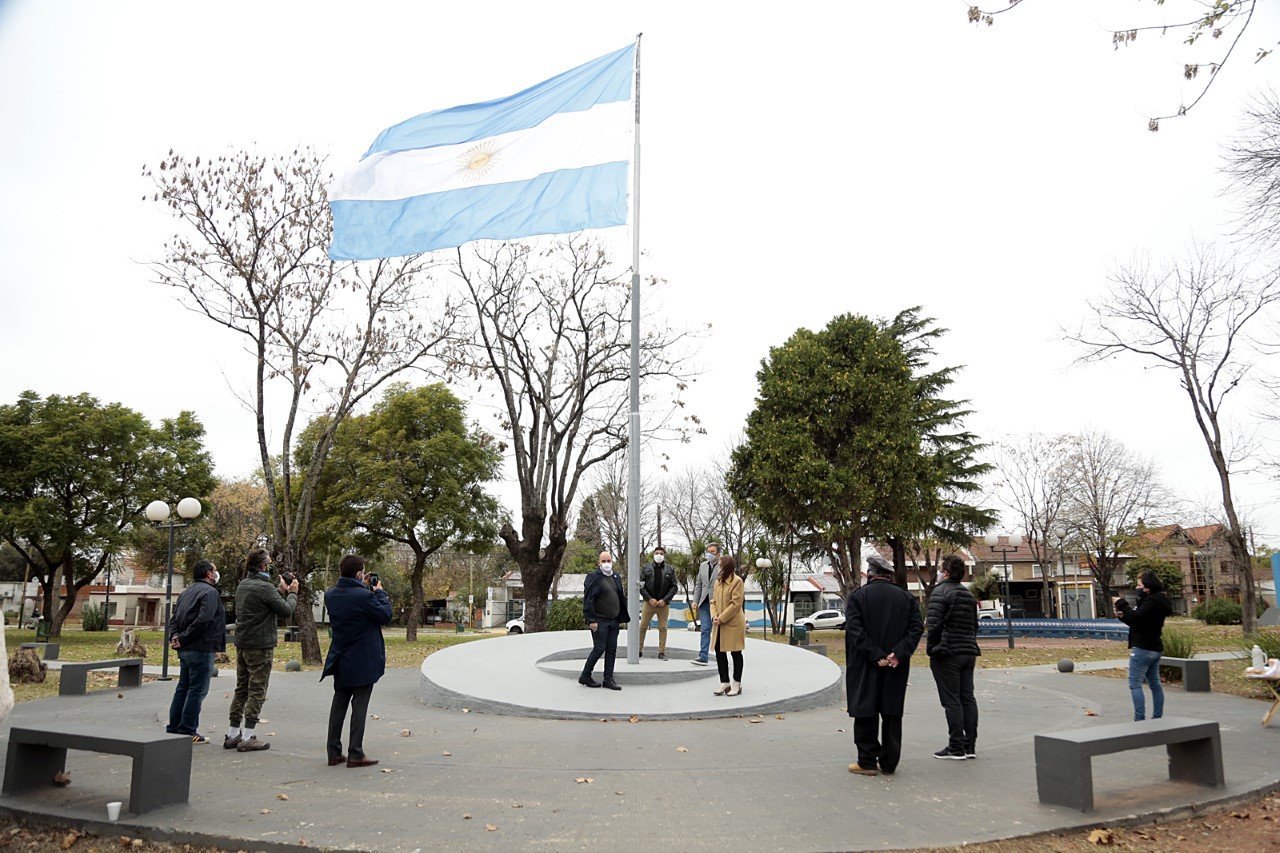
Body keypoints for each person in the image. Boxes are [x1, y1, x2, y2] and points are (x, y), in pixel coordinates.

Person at [845, 555, 923, 777]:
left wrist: (876, 654)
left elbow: (855, 630)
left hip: (865, 664)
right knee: (891, 712)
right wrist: (897, 654)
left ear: (869, 575)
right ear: (888, 576)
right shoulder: (906, 598)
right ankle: (889, 763)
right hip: (895, 666)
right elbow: (916, 629)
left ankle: (867, 762)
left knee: (865, 711)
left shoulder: (858, 597)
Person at [322, 554, 392, 768]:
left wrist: (362, 587)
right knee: (359, 706)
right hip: (363, 659)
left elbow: (351, 602)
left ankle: (333, 752)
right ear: (360, 573)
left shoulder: (330, 595)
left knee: (339, 704)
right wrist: (379, 592)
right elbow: (384, 615)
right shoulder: (364, 596)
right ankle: (355, 753)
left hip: (341, 657)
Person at [226, 549, 297, 752]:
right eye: (269, 563)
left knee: (241, 688)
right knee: (257, 690)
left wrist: (280, 591)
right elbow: (286, 610)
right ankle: (248, 736)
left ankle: (233, 734)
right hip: (260, 645)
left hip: (243, 643)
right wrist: (292, 592)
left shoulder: (244, 585)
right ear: (263, 566)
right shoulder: (265, 588)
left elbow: (264, 603)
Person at [926, 555, 980, 760]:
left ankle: (956, 746)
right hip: (968, 651)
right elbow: (974, 625)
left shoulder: (940, 592)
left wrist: (932, 649)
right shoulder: (968, 595)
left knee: (952, 700)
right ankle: (970, 745)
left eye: (941, 569)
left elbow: (934, 625)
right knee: (967, 698)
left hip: (947, 653)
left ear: (946, 572)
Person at [166, 560, 226, 743]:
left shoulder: (186, 592)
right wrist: (183, 638)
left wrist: (176, 637)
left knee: (183, 687)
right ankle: (188, 730)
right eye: (215, 570)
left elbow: (174, 618)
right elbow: (204, 619)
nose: (216, 573)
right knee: (196, 690)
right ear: (209, 573)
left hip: (186, 648)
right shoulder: (211, 593)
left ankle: (174, 727)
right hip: (201, 647)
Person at [1115, 571, 1172, 722]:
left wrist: (1121, 603)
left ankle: (1139, 719)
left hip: (1143, 648)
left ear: (1147, 587)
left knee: (1135, 684)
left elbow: (1135, 617)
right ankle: (1157, 716)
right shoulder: (1158, 602)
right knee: (1155, 684)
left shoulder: (1151, 602)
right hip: (1155, 648)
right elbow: (1137, 622)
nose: (1137, 587)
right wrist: (1123, 617)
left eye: (1139, 585)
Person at [580, 551, 630, 690]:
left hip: (614, 621)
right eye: (604, 561)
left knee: (612, 649)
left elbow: (620, 597)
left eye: (609, 560)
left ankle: (608, 679)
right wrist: (591, 620)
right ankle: (585, 675)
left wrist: (620, 617)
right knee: (599, 648)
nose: (606, 563)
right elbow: (588, 599)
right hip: (599, 621)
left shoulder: (616, 577)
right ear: (599, 562)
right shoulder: (593, 577)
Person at [710, 554, 746, 696]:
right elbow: (713, 601)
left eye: (720, 564)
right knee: (719, 652)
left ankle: (737, 684)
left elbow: (736, 603)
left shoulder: (737, 581)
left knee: (736, 652)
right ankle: (724, 682)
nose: (719, 566)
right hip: (719, 622)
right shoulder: (718, 582)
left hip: (733, 623)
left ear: (726, 565)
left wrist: (722, 618)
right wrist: (714, 616)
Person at [638, 546, 678, 660]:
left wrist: (664, 600)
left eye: (661, 553)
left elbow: (674, 587)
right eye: (657, 553)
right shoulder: (646, 567)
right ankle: (639, 650)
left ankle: (661, 652)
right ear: (653, 554)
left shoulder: (670, 569)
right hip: (648, 603)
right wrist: (649, 598)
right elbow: (641, 586)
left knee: (663, 628)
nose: (659, 555)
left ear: (664, 555)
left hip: (664, 605)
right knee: (643, 627)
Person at [690, 542, 722, 666]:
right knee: (705, 630)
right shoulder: (703, 566)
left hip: (718, 603)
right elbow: (699, 584)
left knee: (718, 630)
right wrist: (695, 600)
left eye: (712, 552)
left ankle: (721, 655)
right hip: (704, 602)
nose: (709, 554)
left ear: (718, 554)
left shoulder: (722, 566)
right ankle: (703, 656)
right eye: (708, 551)